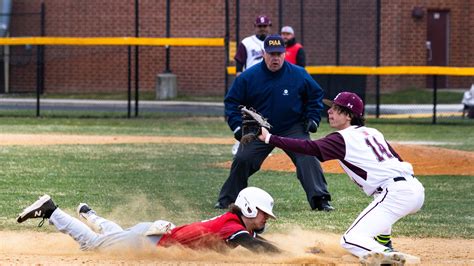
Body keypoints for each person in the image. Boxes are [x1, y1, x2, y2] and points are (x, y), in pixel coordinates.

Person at [258, 91, 425, 264]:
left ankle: (392, 256)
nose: (330, 111)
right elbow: (396, 159)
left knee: (349, 240)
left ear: (349, 115)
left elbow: (309, 147)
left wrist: (269, 138)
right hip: (414, 189)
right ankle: (384, 244)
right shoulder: (373, 132)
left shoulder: (343, 138)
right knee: (379, 204)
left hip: (396, 193)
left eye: (337, 109)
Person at [215, 34, 333, 212]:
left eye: (279, 53)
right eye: (271, 54)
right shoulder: (248, 77)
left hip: (292, 127)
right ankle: (227, 200)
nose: (275, 58)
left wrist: (313, 117)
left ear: (285, 54)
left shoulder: (299, 74)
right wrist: (238, 127)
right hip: (258, 128)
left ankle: (320, 200)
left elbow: (315, 96)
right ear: (263, 53)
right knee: (242, 158)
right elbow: (232, 102)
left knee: (308, 157)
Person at [17, 187, 280, 254]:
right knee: (94, 247)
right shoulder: (232, 227)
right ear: (246, 208)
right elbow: (256, 247)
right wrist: (292, 258)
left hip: (152, 234)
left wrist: (292, 253)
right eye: (262, 213)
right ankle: (51, 211)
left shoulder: (234, 223)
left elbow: (259, 241)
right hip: (151, 241)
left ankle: (92, 216)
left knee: (114, 239)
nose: (265, 218)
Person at [231, 15, 272, 156]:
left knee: (264, 116)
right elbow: (239, 61)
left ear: (269, 27)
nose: (262, 29)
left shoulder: (272, 42)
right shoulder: (247, 42)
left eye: (265, 26)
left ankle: (263, 144)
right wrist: (238, 76)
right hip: (250, 83)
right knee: (246, 115)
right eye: (260, 26)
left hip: (268, 83)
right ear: (255, 27)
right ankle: (239, 143)